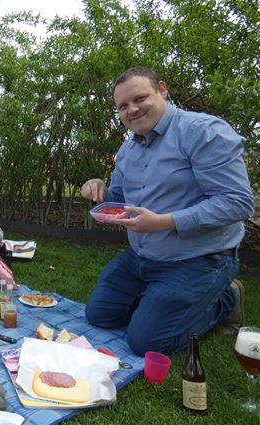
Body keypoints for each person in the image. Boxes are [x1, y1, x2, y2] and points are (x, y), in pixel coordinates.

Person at [80, 67, 254, 356]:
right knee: (98, 316)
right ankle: (161, 303)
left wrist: (164, 222)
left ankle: (225, 299)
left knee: (146, 344)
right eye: (122, 106)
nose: (131, 110)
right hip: (142, 257)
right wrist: (97, 192)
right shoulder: (127, 150)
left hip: (197, 260)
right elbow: (119, 200)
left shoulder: (204, 132)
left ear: (162, 90)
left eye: (139, 98)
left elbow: (237, 202)